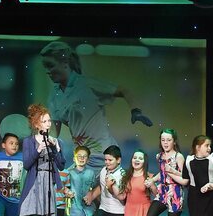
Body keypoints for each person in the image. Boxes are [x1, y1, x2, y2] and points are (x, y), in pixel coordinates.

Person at [39, 41, 152, 170]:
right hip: (81, 158)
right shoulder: (54, 96)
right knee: (63, 181)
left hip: (104, 156)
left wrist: (136, 111)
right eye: (45, 67)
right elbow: (54, 131)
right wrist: (43, 139)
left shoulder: (87, 84)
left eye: (50, 66)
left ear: (65, 63)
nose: (47, 71)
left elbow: (124, 91)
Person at [19, 104, 66, 216]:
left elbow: (61, 165)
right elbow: (27, 164)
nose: (48, 124)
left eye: (49, 120)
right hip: (33, 183)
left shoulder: (55, 141)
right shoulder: (29, 141)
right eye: (44, 121)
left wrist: (56, 149)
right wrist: (38, 149)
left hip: (47, 184)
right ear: (36, 124)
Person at [63, 146, 96, 216]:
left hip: (88, 210)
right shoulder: (69, 172)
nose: (82, 158)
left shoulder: (91, 173)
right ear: (74, 158)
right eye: (79, 156)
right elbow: (63, 187)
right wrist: (66, 191)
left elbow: (92, 188)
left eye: (84, 156)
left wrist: (90, 193)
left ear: (88, 159)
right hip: (75, 210)